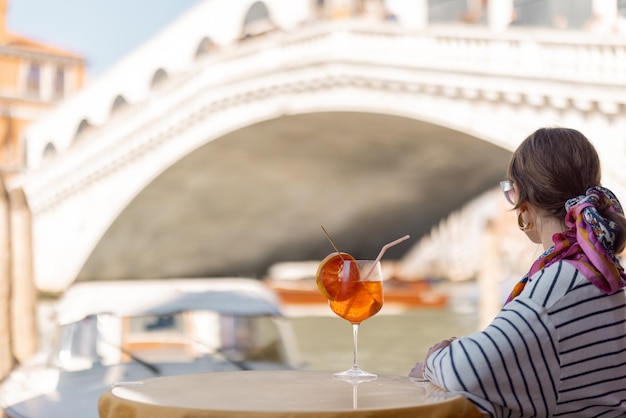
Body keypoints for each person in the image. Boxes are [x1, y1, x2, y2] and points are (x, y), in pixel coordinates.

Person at [409, 127, 626, 417]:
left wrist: (435, 358)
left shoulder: (556, 288)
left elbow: (467, 371)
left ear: (523, 204)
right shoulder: (607, 273)